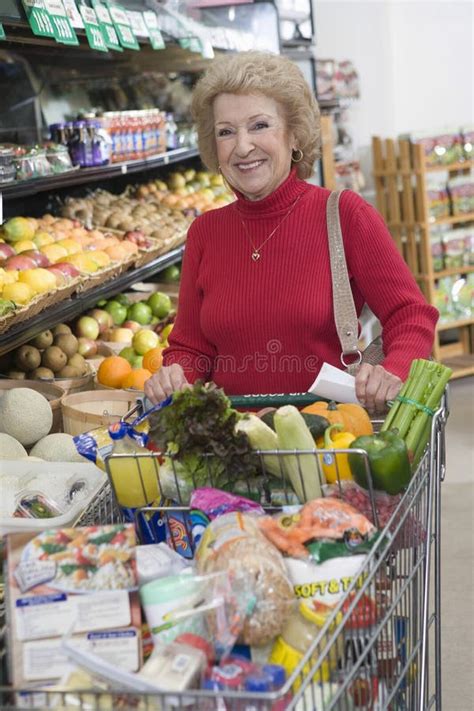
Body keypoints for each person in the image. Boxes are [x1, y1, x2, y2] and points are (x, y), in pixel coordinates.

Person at [145, 51, 438, 414]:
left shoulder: (345, 215)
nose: (242, 146)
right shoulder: (206, 232)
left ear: (295, 135)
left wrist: (393, 372)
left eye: (259, 125)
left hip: (327, 445)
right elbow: (192, 349)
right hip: (233, 446)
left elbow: (410, 314)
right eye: (226, 132)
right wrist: (174, 377)